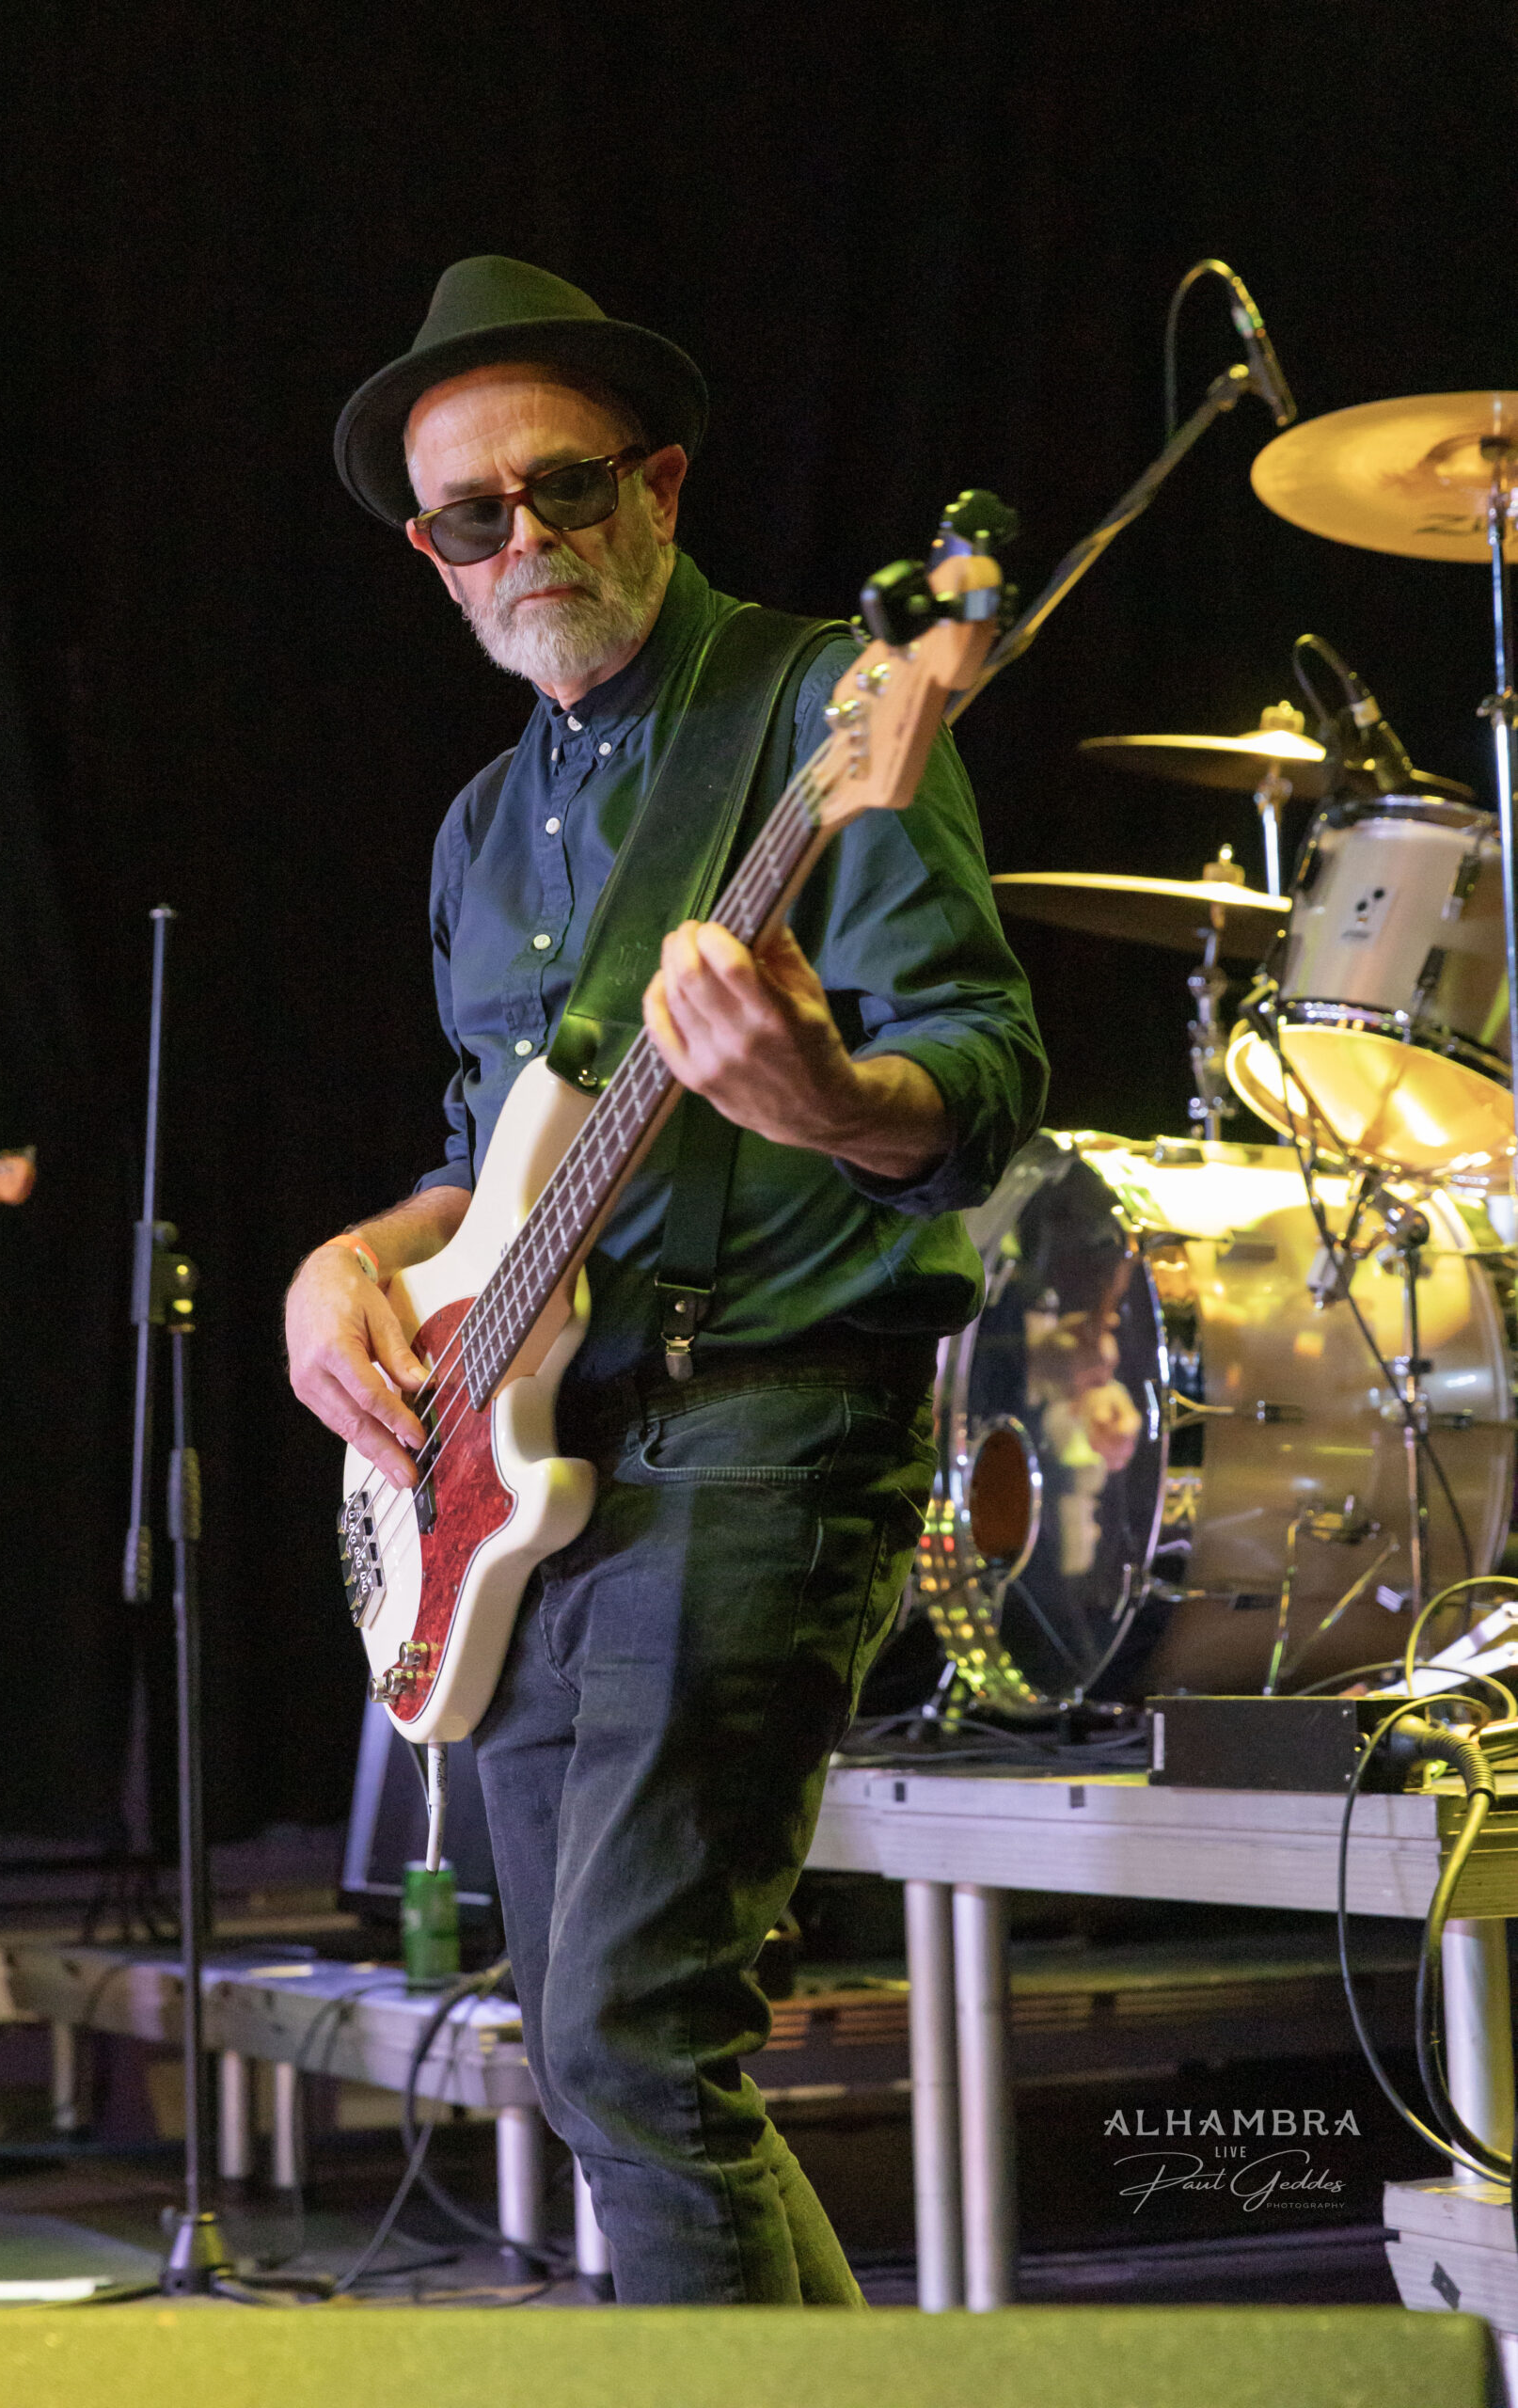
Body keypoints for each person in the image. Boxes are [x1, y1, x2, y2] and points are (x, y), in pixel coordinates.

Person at [286, 257, 1047, 2305]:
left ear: (662, 483)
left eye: (565, 485)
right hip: (536, 1478)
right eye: (472, 516)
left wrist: (828, 1096)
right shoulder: (477, 829)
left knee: (634, 2040)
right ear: (432, 559)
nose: (524, 537)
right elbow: (483, 1175)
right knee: (615, 2064)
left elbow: (980, 1074)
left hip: (762, 1423)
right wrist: (343, 1268)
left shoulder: (818, 710)